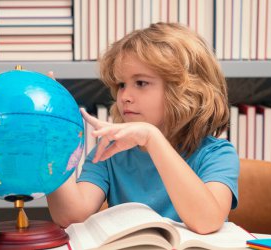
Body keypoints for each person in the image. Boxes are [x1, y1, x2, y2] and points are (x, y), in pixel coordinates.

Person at [46, 22, 239, 234]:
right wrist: (51, 136)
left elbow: (207, 221)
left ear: (185, 91)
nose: (125, 97)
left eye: (141, 83)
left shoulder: (217, 154)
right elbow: (70, 216)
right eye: (121, 85)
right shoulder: (110, 151)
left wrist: (152, 139)